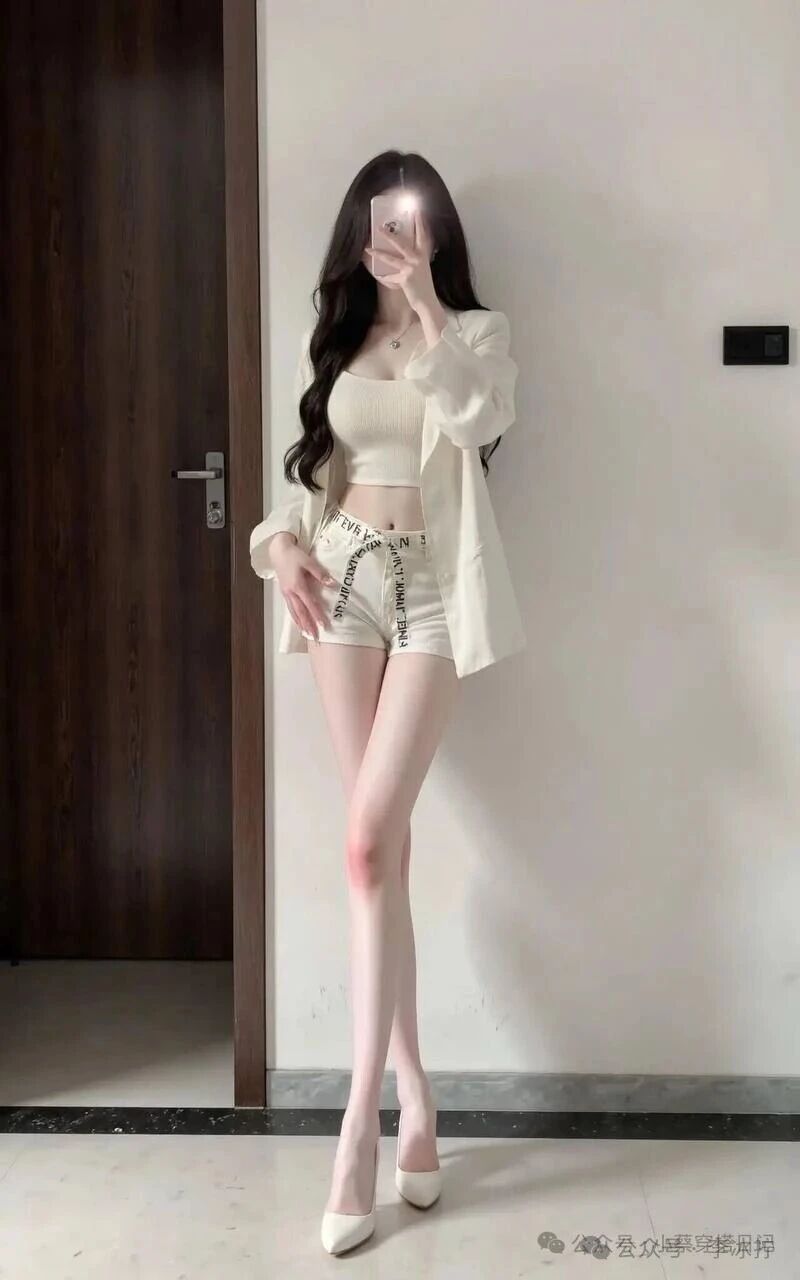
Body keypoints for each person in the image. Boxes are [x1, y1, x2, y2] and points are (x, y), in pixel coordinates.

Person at [249, 149, 526, 1255]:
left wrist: (427, 308)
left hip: (433, 596)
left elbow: (476, 420)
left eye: (411, 221)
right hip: (341, 583)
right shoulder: (333, 338)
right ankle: (413, 1095)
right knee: (380, 854)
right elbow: (296, 480)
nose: (394, 237)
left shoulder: (477, 333)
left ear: (436, 229)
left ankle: (356, 1122)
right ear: (354, 231)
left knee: (368, 840)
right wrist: (278, 548)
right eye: (379, 221)